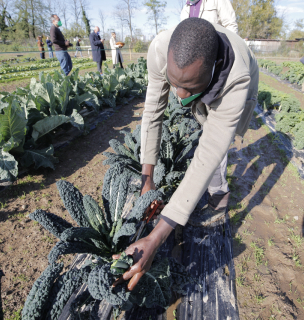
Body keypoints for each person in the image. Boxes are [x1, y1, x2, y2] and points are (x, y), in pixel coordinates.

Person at [111, 18, 259, 291]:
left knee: (215, 144)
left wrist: (156, 237)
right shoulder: (159, 51)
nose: (179, 95)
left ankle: (220, 195)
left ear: (212, 70)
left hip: (239, 84)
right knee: (196, 119)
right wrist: (147, 178)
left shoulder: (236, 79)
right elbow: (152, 113)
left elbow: (209, 151)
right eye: (174, 83)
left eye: (189, 87)